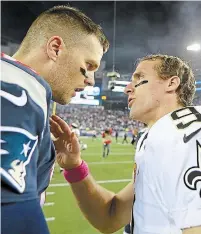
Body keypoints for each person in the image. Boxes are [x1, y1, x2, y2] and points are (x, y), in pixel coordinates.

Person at [50, 54, 201, 234]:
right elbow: (110, 217)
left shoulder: (182, 135)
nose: (127, 89)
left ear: (171, 83)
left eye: (140, 79)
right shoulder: (159, 136)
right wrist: (74, 167)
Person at [1, 5, 109, 234]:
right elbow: (10, 215)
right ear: (55, 48)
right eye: (88, 65)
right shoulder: (16, 92)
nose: (91, 80)